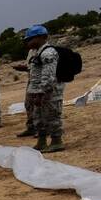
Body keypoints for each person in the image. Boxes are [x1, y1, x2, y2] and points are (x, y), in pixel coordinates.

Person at [24, 24, 65, 152]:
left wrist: (43, 94)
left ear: (41, 37)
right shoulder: (37, 53)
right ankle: (42, 141)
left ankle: (56, 141)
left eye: (30, 39)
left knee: (52, 117)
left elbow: (49, 76)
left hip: (48, 93)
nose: (28, 42)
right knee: (39, 118)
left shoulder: (48, 53)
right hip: (38, 94)